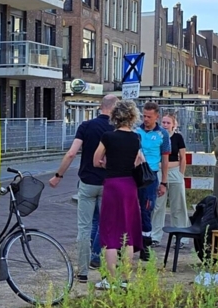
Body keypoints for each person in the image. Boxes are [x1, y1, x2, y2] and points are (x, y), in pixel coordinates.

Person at [50, 94, 119, 282]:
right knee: (107, 227)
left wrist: (58, 176)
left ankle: (82, 272)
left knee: (84, 228)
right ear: (115, 109)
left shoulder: (86, 126)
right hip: (109, 184)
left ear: (100, 106)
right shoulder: (117, 129)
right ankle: (106, 272)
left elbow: (71, 153)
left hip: (88, 182)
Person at [92, 100, 145, 289]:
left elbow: (96, 160)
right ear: (132, 117)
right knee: (128, 232)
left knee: (110, 232)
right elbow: (138, 161)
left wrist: (108, 164)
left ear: (115, 116)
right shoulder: (136, 138)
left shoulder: (108, 137)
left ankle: (110, 279)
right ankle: (125, 279)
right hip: (129, 186)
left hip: (112, 185)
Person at [134, 101, 171, 256]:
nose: (146, 119)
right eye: (144, 116)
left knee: (147, 209)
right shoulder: (136, 131)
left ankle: (146, 246)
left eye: (149, 117)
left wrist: (164, 182)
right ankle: (130, 243)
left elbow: (165, 159)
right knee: (132, 209)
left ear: (157, 117)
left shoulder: (162, 134)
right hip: (135, 174)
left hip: (150, 177)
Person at [161, 114, 190, 232]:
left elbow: (183, 157)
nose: (165, 125)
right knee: (158, 206)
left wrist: (181, 174)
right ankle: (155, 236)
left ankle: (181, 233)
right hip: (160, 171)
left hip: (174, 172)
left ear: (173, 125)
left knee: (178, 206)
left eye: (168, 123)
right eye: (163, 122)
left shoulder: (178, 137)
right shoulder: (157, 136)